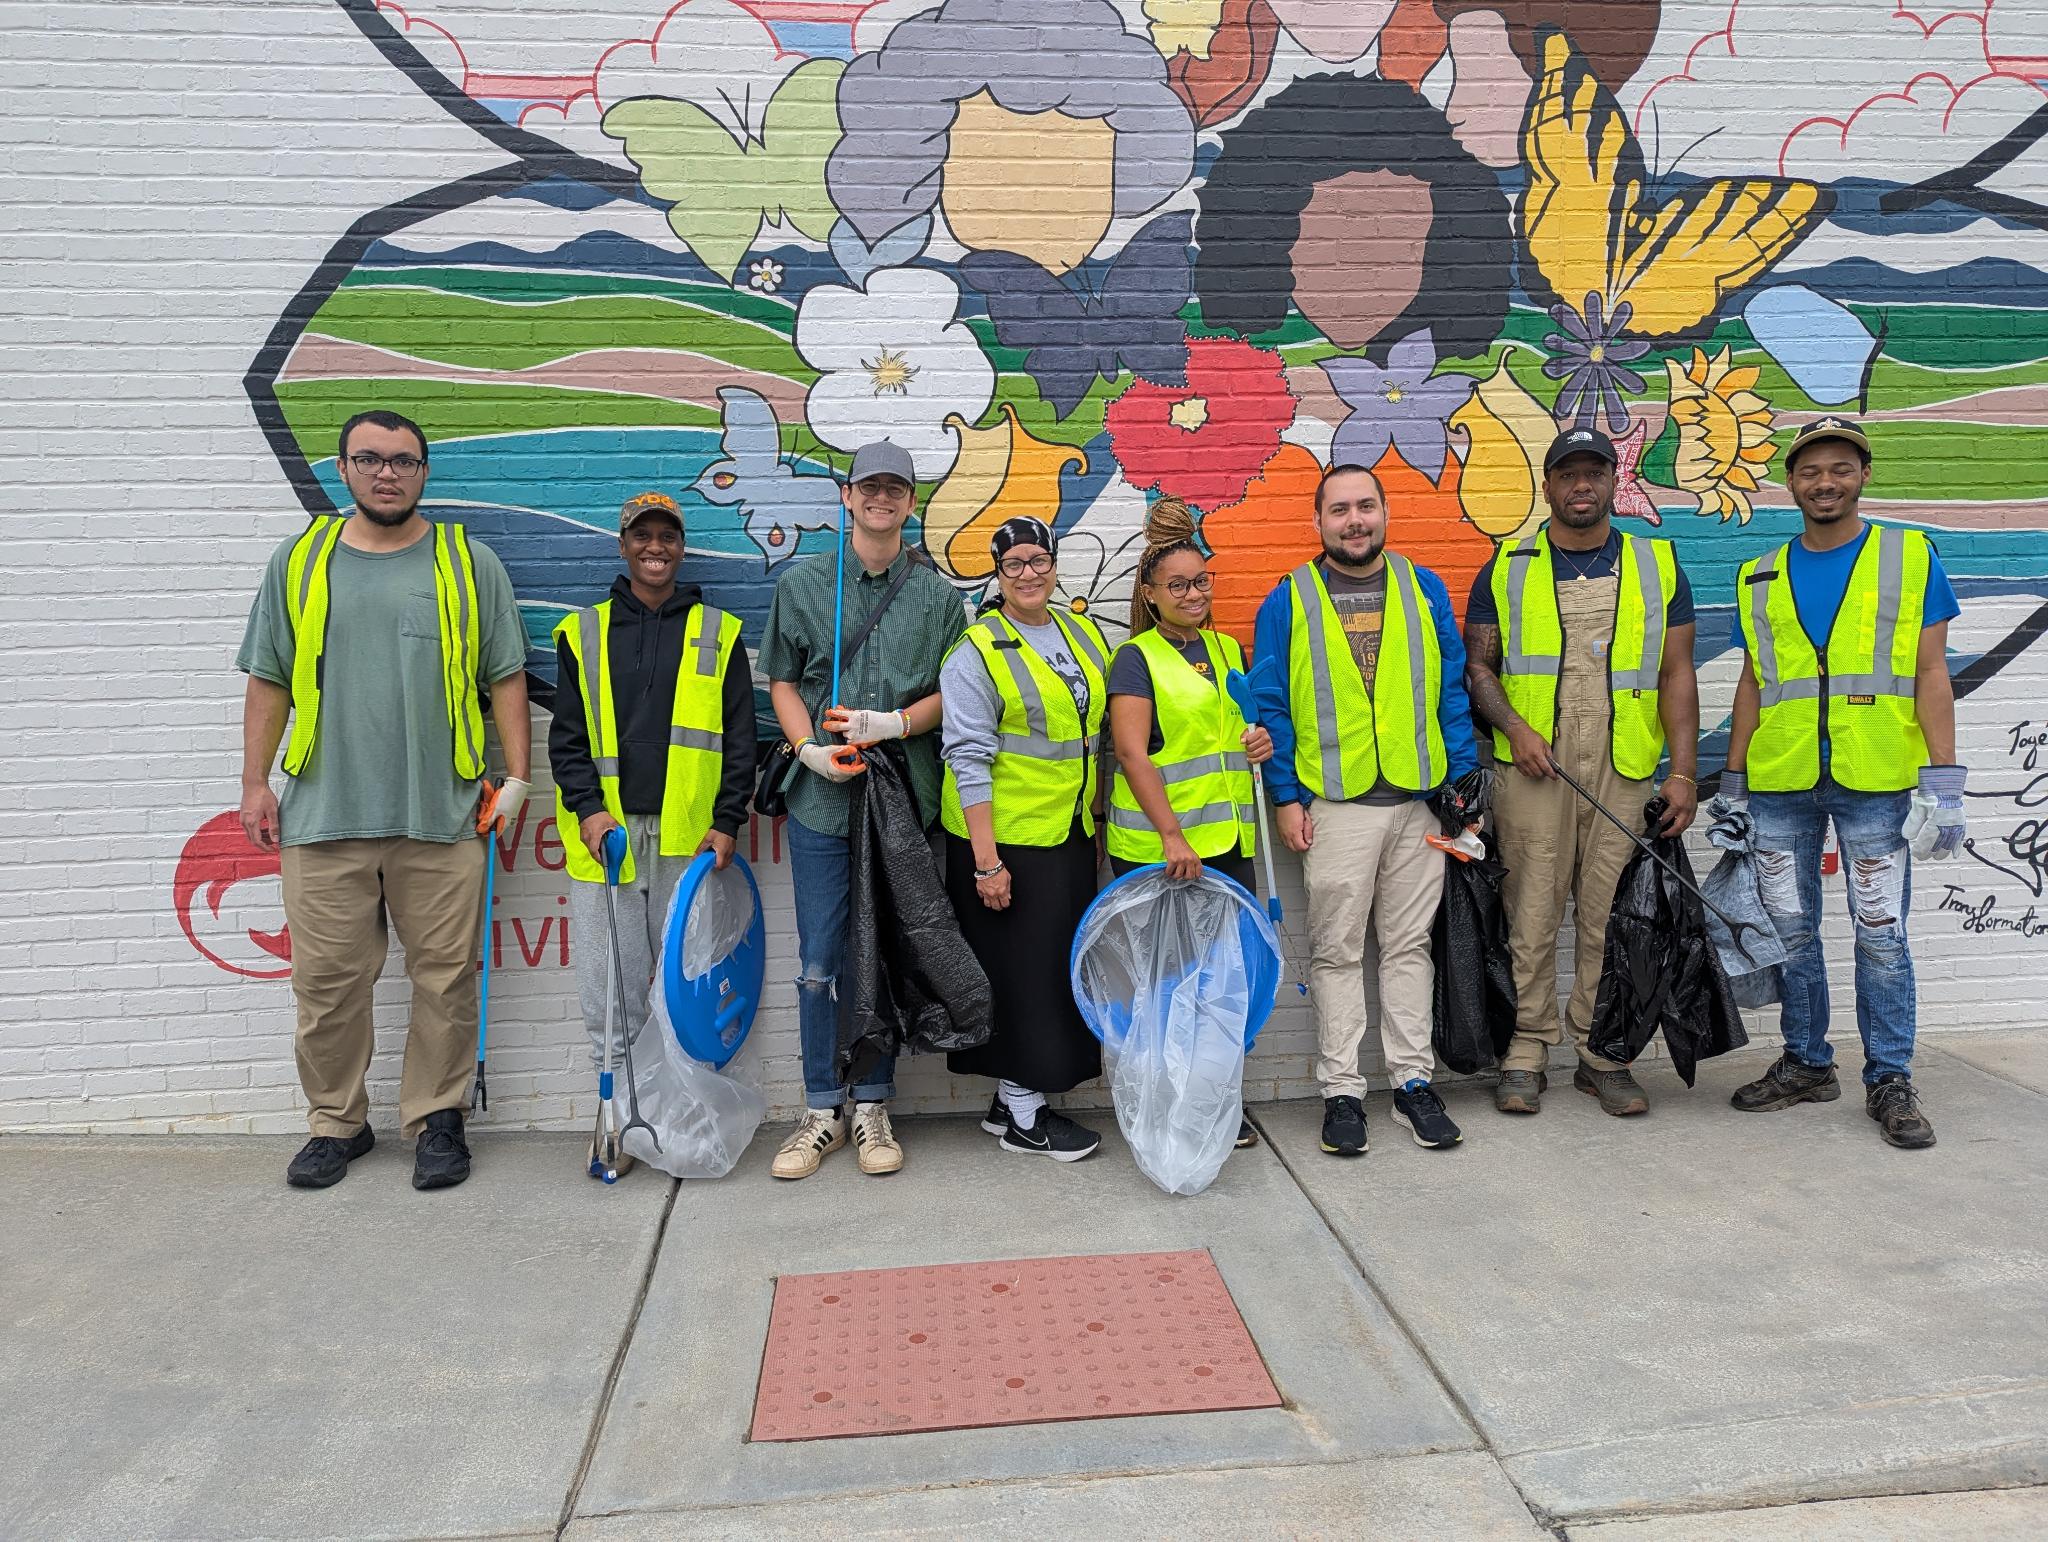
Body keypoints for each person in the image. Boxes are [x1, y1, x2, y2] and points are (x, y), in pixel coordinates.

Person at [237, 410, 530, 1192]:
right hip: (323, 816)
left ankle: (438, 1120)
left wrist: (517, 779)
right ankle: (338, 1124)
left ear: (424, 473)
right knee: (326, 987)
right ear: (345, 469)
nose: (387, 472)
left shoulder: (471, 565)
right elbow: (267, 677)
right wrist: (254, 782)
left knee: (446, 979)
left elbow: (506, 678)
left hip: (444, 813)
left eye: (404, 460)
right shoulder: (300, 563)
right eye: (370, 459)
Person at [1723, 418, 1962, 1149]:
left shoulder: (1909, 555)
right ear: (1790, 483)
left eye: (1839, 468)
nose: (1825, 482)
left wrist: (1944, 782)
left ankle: (1889, 1077)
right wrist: (1732, 782)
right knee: (1791, 934)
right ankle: (1806, 1063)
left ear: (1861, 475)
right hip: (1781, 780)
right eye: (1810, 471)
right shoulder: (1758, 572)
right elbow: (1753, 683)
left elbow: (1930, 672)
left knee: (1881, 935)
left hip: (1877, 780)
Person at [1464, 427, 1699, 1118]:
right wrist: (1515, 730)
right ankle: (1528, 1051)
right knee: (1529, 913)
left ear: (1611, 480)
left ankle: (1602, 1056)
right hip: (1534, 763)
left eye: (1594, 472)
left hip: (1624, 764)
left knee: (1608, 916)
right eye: (1568, 474)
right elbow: (1479, 668)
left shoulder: (1657, 565)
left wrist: (1682, 773)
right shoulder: (1506, 566)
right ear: (1549, 486)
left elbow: (1676, 674)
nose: (1582, 485)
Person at [1250, 463, 1480, 1158]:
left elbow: (1451, 692)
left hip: (1418, 804)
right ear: (1318, 522)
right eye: (1340, 510)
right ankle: (1342, 1092)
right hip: (1337, 805)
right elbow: (1270, 706)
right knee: (1337, 954)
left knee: (1409, 949)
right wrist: (1286, 798)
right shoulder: (1287, 599)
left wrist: (1464, 791)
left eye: (1366, 507)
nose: (1355, 520)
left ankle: (1413, 1084)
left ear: (1385, 512)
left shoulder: (1423, 586)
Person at [758, 440, 967, 1179]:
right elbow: (782, 679)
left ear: (911, 503)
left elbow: (957, 695)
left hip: (900, 805)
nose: (882, 498)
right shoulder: (806, 585)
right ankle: (822, 1111)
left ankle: (874, 1104)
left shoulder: (940, 599)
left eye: (896, 489)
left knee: (877, 958)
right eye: (868, 487)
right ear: (846, 497)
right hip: (823, 800)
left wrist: (897, 724)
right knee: (819, 963)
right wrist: (807, 748)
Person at [548, 491, 755, 1177]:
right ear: (623, 545)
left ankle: (673, 1117)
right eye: (643, 535)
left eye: (668, 536)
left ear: (681, 546)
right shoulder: (582, 631)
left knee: (679, 992)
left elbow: (739, 741)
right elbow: (569, 742)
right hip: (606, 837)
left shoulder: (719, 633)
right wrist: (587, 810)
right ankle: (615, 1118)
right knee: (610, 986)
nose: (656, 547)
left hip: (689, 842)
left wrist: (727, 821)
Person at [939, 517, 1110, 1162]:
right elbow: (968, 756)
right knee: (1024, 977)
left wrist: (1090, 817)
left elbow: (1089, 736)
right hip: (1003, 843)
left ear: (1055, 563)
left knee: (1045, 971)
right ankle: (1024, 1114)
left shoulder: (1079, 632)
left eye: (1039, 559)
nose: (1029, 573)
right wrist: (986, 864)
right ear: (997, 573)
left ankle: (1007, 1100)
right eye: (1014, 564)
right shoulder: (976, 651)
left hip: (1063, 832)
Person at [1106, 497, 1273, 1150]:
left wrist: (1255, 743)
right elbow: (1131, 752)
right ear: (1150, 594)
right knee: (1170, 986)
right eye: (1178, 584)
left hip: (1229, 844)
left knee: (1223, 984)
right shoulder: (1137, 659)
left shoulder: (1226, 647)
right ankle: (1168, 1109)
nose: (1194, 592)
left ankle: (1217, 1107)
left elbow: (1232, 730)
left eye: (1201, 580)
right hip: (1163, 853)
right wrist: (1172, 834)